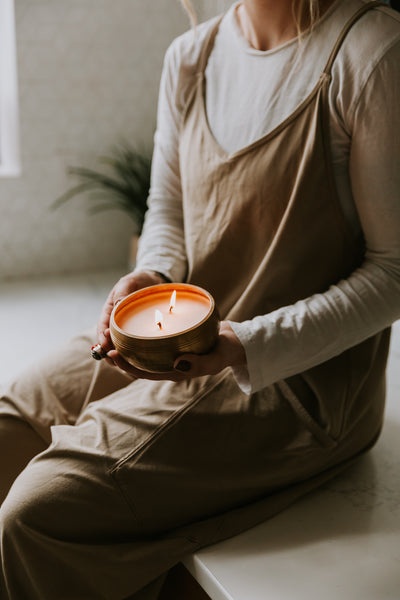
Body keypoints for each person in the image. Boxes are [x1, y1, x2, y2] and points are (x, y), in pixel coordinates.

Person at [1, 0, 399, 598]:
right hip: (180, 345)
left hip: (300, 386)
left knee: (35, 513)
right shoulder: (192, 56)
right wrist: (152, 273)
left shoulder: (371, 53)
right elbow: (169, 212)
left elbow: (394, 270)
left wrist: (247, 345)